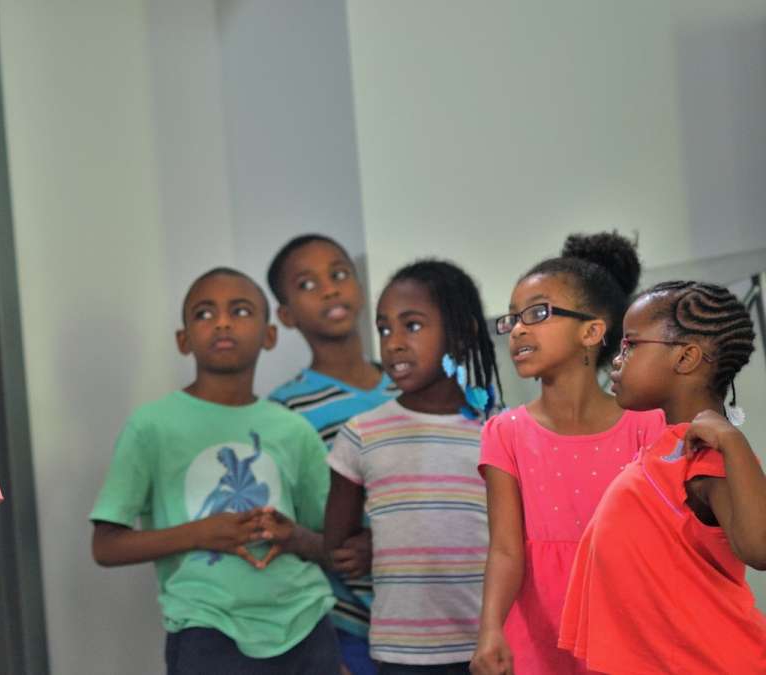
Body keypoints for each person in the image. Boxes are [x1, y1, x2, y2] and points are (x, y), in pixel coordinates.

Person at [90, 268, 337, 674]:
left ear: (269, 334)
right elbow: (105, 546)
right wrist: (199, 534)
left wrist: (292, 535)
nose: (222, 322)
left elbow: (330, 543)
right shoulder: (151, 426)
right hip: (206, 629)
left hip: (305, 624)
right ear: (183, 340)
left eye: (240, 310)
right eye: (205, 314)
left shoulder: (294, 430)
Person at [470, 233, 666, 675]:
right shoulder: (505, 433)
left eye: (537, 313)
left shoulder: (648, 426)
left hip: (630, 631)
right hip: (540, 635)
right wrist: (490, 629)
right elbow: (504, 550)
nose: (518, 328)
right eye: (513, 318)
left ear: (592, 331)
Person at [559, 280, 766, 673]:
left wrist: (732, 441)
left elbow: (760, 548)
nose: (616, 361)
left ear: (686, 357)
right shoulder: (665, 448)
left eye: (631, 345)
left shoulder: (707, 454)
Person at [326, 260, 499, 674]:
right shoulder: (361, 434)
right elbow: (339, 548)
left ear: (462, 334)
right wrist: (379, 542)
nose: (394, 343)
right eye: (385, 329)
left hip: (490, 646)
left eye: (413, 326)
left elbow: (520, 538)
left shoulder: (498, 431)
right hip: (401, 655)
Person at [267, 234, 396, 674]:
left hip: (437, 619)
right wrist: (330, 549)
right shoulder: (284, 411)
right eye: (308, 284)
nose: (330, 288)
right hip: (349, 628)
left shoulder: (412, 388)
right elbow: (281, 525)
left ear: (360, 288)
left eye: (340, 274)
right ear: (285, 315)